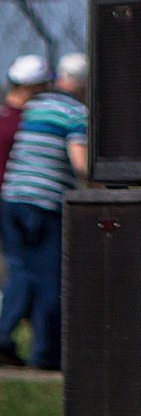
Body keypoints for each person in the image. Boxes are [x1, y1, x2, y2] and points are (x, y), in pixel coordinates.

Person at [0, 52, 88, 370]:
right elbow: (80, 163)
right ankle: (47, 353)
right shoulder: (76, 113)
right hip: (45, 203)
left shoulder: (34, 109)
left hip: (13, 198)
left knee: (22, 272)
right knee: (51, 277)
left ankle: (5, 339)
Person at [0, 54, 50, 193]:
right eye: (43, 85)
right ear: (30, 87)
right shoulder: (28, 121)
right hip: (15, 195)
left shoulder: (5, 117)